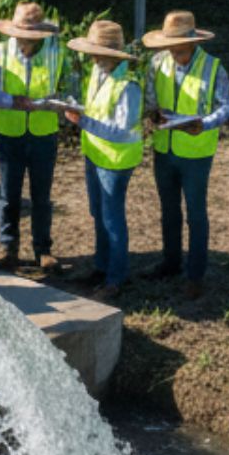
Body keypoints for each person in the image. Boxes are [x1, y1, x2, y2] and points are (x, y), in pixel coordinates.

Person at [142, 11, 229, 301]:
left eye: (179, 49)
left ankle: (195, 274)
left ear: (193, 43)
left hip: (196, 152)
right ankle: (170, 262)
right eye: (170, 48)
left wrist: (204, 124)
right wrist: (153, 114)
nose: (174, 53)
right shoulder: (157, 64)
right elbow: (150, 100)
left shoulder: (213, 68)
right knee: (169, 210)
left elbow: (227, 106)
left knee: (196, 214)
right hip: (164, 148)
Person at [0, 2, 66, 272]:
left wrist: (61, 104)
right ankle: (9, 249)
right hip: (11, 132)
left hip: (44, 132)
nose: (23, 40)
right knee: (9, 194)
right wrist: (12, 100)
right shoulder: (0, 51)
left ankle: (43, 249)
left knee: (42, 195)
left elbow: (69, 89)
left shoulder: (57, 52)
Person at [62, 20, 140, 303]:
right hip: (95, 153)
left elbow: (121, 131)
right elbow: (99, 112)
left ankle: (116, 277)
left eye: (97, 52)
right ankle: (101, 266)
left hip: (116, 160)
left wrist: (83, 122)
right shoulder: (98, 73)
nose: (92, 57)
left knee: (112, 218)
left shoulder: (128, 86)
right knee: (98, 213)